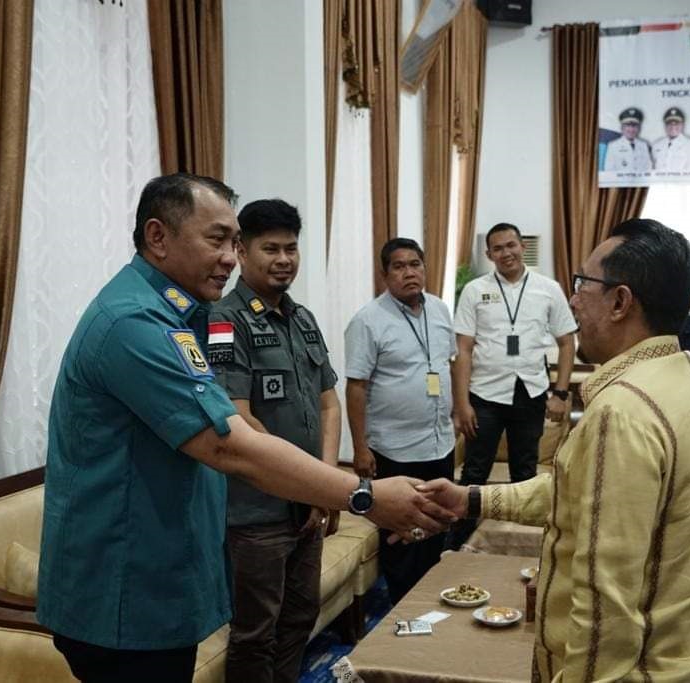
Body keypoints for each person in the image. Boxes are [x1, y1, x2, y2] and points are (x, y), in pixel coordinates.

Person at [37, 174, 451, 683]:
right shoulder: (135, 324)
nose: (230, 258)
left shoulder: (180, 313)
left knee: (291, 621)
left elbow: (315, 403)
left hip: (161, 578)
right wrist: (362, 495)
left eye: (234, 242)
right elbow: (231, 445)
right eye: (218, 240)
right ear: (158, 236)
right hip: (125, 590)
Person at [420, 218, 690, 681]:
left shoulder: (623, 412)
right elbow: (583, 493)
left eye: (582, 284)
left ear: (620, 302)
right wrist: (471, 498)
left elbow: (606, 608)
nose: (572, 301)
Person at [207, 198, 340, 682]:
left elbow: (329, 405)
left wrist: (324, 483)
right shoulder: (224, 322)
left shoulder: (303, 319)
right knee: (255, 632)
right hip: (256, 513)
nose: (284, 259)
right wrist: (313, 486)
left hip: (308, 503)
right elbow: (238, 418)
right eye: (271, 249)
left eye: (291, 248)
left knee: (301, 616)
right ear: (242, 251)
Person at [447, 222, 576, 550]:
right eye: (498, 248)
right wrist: (461, 404)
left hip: (530, 393)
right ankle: (456, 547)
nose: (506, 253)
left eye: (511, 245)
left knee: (525, 474)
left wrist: (560, 394)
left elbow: (567, 343)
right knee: (475, 473)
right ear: (489, 254)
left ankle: (524, 549)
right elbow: (463, 349)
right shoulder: (475, 290)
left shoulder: (548, 289)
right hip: (484, 395)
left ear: (522, 247)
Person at [344, 238, 455, 604]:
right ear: (384, 275)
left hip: (440, 442)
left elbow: (447, 364)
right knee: (403, 535)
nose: (410, 272)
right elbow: (356, 386)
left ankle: (433, 602)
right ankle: (402, 610)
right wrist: (360, 448)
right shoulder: (368, 320)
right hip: (395, 449)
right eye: (399, 266)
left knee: (437, 525)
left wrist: (458, 410)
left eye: (415, 264)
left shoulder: (440, 309)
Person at [652, 107, 690, 172]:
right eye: (669, 123)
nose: (673, 126)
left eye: (677, 123)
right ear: (665, 125)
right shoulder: (657, 145)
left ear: (682, 125)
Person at [603, 107, 653, 172]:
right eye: (628, 125)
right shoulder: (613, 146)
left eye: (634, 126)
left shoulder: (644, 145)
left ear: (639, 128)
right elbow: (609, 171)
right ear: (622, 128)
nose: (631, 130)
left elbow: (649, 168)